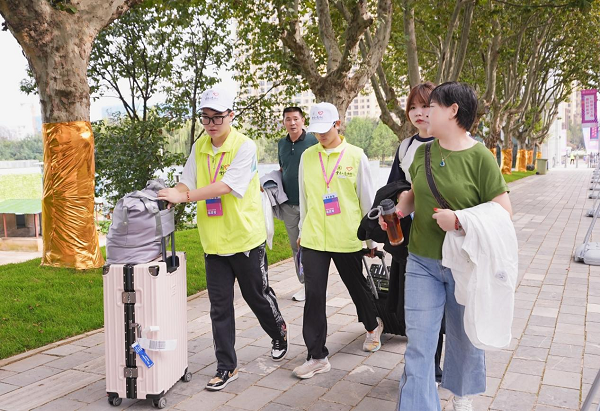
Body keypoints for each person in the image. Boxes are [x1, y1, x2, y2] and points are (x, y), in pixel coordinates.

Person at [388, 82, 512, 411]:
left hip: (465, 264)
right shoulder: (422, 153)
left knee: (464, 337)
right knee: (419, 344)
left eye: (432, 106)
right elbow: (414, 193)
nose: (424, 113)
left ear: (453, 111)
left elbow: (504, 212)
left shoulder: (480, 157)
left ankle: (462, 396)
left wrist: (459, 221)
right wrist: (398, 212)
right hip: (422, 262)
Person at [157, 86, 288, 391]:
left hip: (245, 239)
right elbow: (187, 180)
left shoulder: (245, 146)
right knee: (219, 307)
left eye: (217, 117)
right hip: (214, 242)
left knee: (256, 297)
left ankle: (279, 332)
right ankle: (227, 367)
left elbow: (226, 186)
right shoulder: (200, 146)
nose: (211, 123)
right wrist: (174, 192)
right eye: (205, 117)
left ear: (231, 115)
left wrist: (183, 197)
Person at [292, 102, 384, 379]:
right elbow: (304, 198)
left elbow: (367, 200)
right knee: (314, 296)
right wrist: (301, 230)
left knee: (356, 286)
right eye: (316, 130)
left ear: (338, 124)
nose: (321, 135)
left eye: (326, 129)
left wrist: (371, 241)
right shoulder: (308, 156)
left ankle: (372, 326)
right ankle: (317, 356)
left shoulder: (356, 155)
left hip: (347, 236)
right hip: (314, 238)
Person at [386, 81, 445, 386]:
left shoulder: (449, 143)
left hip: (443, 232)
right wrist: (396, 204)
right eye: (413, 107)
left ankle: (434, 366)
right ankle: (422, 366)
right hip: (408, 233)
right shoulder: (406, 147)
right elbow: (393, 185)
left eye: (426, 106)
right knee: (415, 303)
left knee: (442, 304)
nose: (419, 113)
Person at [278, 107, 318, 301]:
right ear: (284, 122)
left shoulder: (313, 141)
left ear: (303, 121)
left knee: (311, 245)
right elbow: (282, 168)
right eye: (288, 119)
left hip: (310, 203)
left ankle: (316, 285)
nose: (292, 123)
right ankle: (305, 285)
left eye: (296, 119)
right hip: (288, 204)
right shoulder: (281, 144)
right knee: (296, 246)